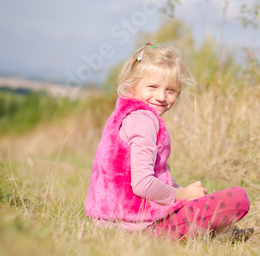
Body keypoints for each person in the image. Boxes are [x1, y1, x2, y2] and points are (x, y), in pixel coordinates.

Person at [85, 42, 251, 242]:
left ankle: (214, 233)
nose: (162, 96)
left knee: (203, 201)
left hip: (109, 219)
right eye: (153, 87)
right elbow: (142, 184)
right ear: (132, 84)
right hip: (135, 226)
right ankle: (209, 232)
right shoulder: (143, 121)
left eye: (171, 90)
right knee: (238, 199)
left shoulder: (126, 113)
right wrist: (183, 195)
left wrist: (183, 192)